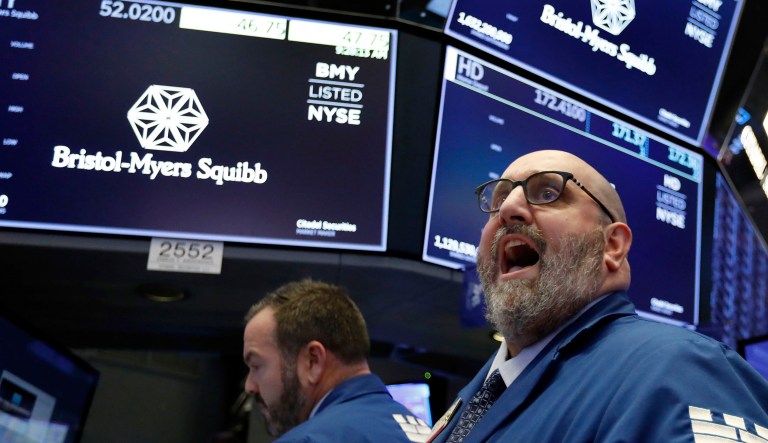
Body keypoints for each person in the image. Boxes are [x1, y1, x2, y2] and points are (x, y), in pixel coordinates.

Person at [427, 150, 768, 443]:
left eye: (547, 192)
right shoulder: (475, 397)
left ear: (612, 246)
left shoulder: (682, 370)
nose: (508, 208)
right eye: (499, 199)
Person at [242, 278, 431, 442]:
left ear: (313, 361)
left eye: (257, 366)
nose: (249, 386)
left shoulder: (308, 440)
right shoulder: (435, 435)